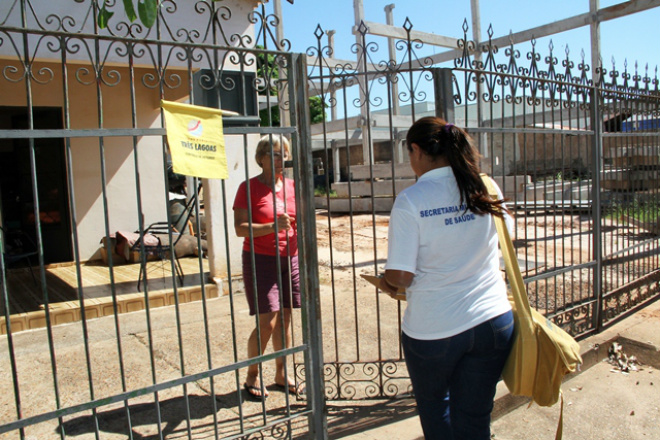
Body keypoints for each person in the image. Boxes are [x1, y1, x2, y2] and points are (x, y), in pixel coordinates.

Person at [378, 117, 515, 439]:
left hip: (435, 330)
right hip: (493, 321)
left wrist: (386, 283)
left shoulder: (412, 199)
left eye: (409, 152)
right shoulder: (485, 186)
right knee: (475, 414)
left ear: (417, 150)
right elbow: (508, 239)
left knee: (436, 411)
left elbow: (400, 276)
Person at [232, 135, 300, 400]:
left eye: (282, 153)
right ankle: (252, 375)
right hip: (260, 259)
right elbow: (240, 228)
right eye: (272, 153)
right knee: (267, 323)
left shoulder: (293, 187)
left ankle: (281, 373)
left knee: (284, 319)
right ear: (260, 158)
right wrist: (273, 227)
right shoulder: (248, 188)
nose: (279, 158)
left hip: (290, 258)